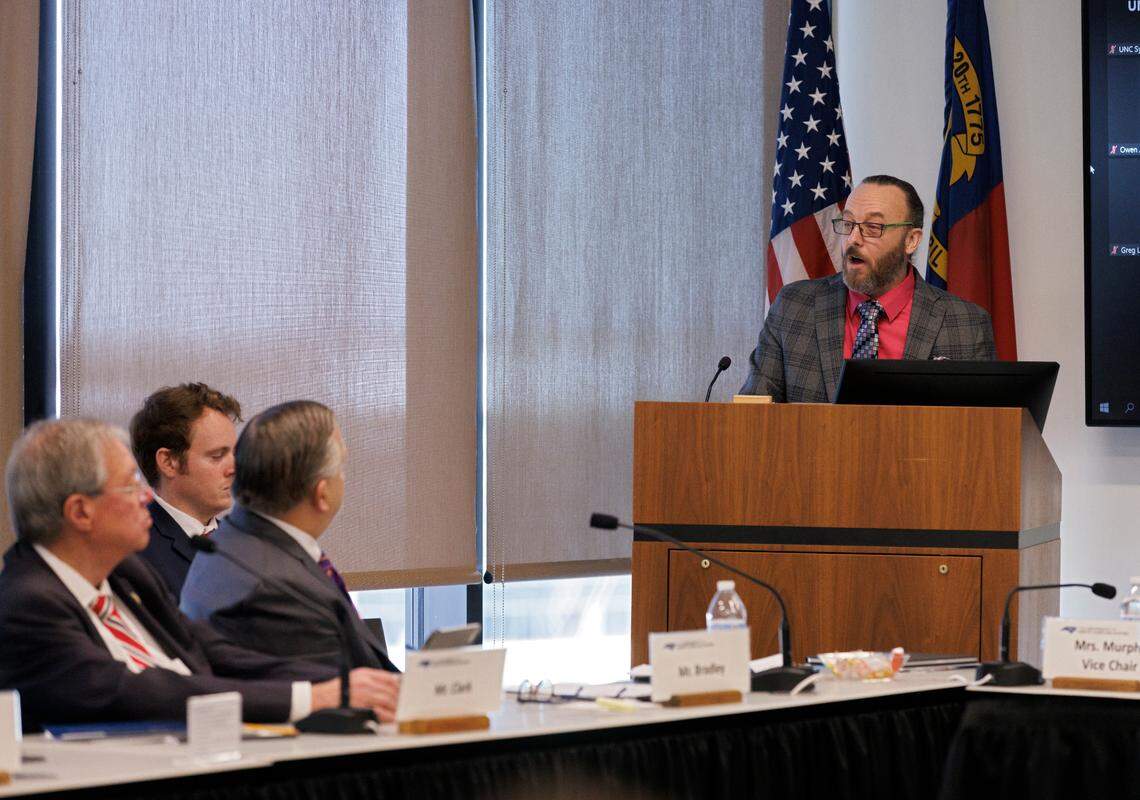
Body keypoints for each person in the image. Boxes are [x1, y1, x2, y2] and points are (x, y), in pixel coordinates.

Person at [0, 418, 400, 732]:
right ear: (80, 512)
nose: (146, 496)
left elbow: (215, 651)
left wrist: (347, 685)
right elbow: (140, 692)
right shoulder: (27, 604)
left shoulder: (126, 576)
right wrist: (310, 699)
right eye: (130, 486)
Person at [181, 401, 398, 673]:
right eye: (341, 468)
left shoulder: (231, 540)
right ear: (321, 494)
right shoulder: (280, 592)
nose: (344, 478)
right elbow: (339, 703)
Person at [741, 174, 996, 402]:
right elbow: (753, 419)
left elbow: (981, 434)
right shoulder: (794, 307)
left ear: (911, 240)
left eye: (873, 228)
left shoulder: (966, 324)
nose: (853, 239)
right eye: (848, 223)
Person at [130, 383, 241, 596]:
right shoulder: (136, 551)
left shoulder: (243, 542)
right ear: (169, 462)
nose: (233, 468)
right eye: (217, 456)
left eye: (234, 454)